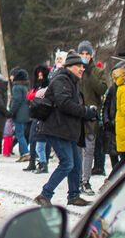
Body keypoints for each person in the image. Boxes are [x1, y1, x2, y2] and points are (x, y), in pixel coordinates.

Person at [35, 53, 96, 207]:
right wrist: (85, 111)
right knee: (67, 163)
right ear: (69, 66)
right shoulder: (61, 79)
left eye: (83, 66)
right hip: (56, 129)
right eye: (79, 66)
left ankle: (74, 196)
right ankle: (44, 195)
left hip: (65, 130)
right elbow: (64, 103)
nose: (82, 69)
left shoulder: (71, 81)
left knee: (76, 163)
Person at [75, 41, 109, 195]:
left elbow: (102, 89)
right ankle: (76, 180)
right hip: (76, 116)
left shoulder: (97, 71)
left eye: (87, 54)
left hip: (91, 118)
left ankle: (85, 180)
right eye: (82, 54)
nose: (84, 57)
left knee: (89, 150)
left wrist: (89, 73)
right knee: (77, 150)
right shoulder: (74, 70)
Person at [24, 64, 51, 173]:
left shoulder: (47, 86)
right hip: (35, 114)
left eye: (41, 76)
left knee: (42, 142)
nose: (40, 78)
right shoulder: (36, 86)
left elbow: (32, 96)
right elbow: (29, 96)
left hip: (42, 114)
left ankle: (43, 162)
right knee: (32, 139)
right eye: (38, 76)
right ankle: (33, 161)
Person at [9, 68, 30, 162]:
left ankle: (25, 153)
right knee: (23, 134)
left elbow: (16, 101)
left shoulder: (17, 87)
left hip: (19, 114)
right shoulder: (27, 86)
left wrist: (11, 111)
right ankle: (23, 153)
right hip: (27, 113)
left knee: (19, 134)